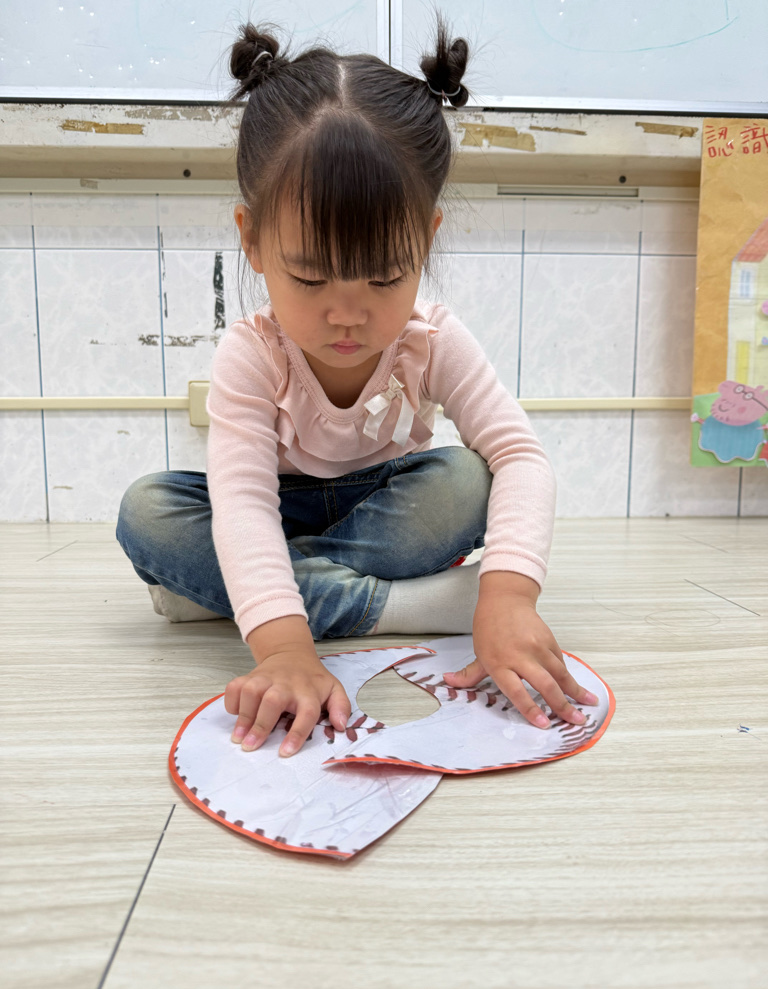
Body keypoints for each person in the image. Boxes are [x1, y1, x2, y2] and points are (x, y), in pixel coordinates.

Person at [116, 14, 598, 760]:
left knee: (464, 480)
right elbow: (243, 505)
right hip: (279, 513)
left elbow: (521, 458)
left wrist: (508, 594)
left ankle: (242, 594)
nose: (347, 314)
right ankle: (404, 606)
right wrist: (284, 653)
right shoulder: (252, 354)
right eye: (310, 278)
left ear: (426, 240)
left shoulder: (432, 338)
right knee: (148, 510)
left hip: (383, 509)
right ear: (252, 240)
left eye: (385, 277)